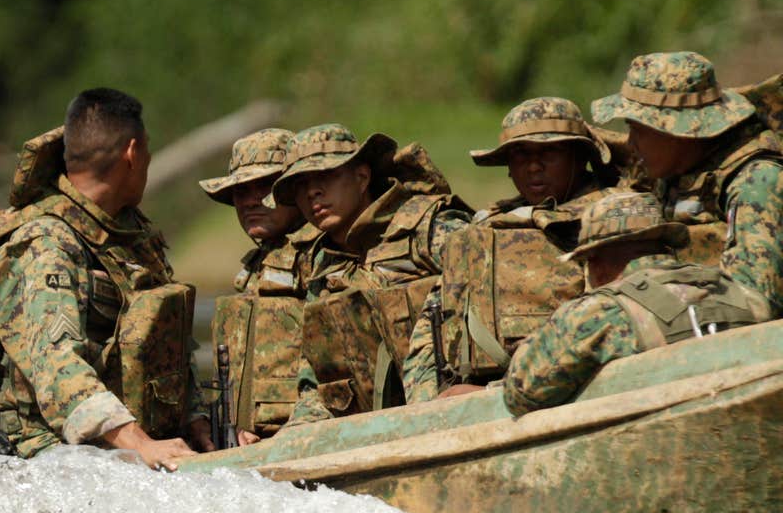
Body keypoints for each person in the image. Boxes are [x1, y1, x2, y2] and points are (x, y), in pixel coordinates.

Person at [0, 88, 197, 468]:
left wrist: (198, 421)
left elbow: (164, 344)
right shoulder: (44, 245)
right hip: (35, 450)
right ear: (133, 154)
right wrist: (140, 444)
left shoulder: (127, 240)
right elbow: (56, 366)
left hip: (120, 437)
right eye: (148, 152)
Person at [256, 123, 470, 438]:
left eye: (325, 176)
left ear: (361, 177)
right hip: (376, 432)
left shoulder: (427, 228)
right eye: (300, 185)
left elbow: (496, 300)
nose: (312, 192)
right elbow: (317, 376)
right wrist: (295, 434)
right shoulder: (322, 265)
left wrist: (486, 385)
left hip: (456, 416)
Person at [402, 98, 611, 402]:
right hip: (467, 402)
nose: (534, 166)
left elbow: (611, 331)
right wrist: (429, 402)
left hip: (570, 396)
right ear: (508, 167)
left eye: (549, 152)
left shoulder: (609, 219)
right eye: (521, 154)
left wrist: (493, 394)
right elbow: (431, 324)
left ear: (580, 158)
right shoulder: (484, 229)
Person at [503, 190, 769, 415]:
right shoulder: (739, 293)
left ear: (593, 259)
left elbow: (521, 394)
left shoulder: (599, 313)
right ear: (665, 245)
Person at [593, 51, 783, 316]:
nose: (630, 143)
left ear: (678, 131)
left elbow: (756, 302)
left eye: (639, 130)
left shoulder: (757, 181)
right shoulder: (672, 171)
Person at [197, 128, 314, 440]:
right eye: (240, 192)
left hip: (304, 438)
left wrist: (290, 431)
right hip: (249, 442)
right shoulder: (257, 265)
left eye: (264, 186)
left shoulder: (324, 257)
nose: (250, 201)